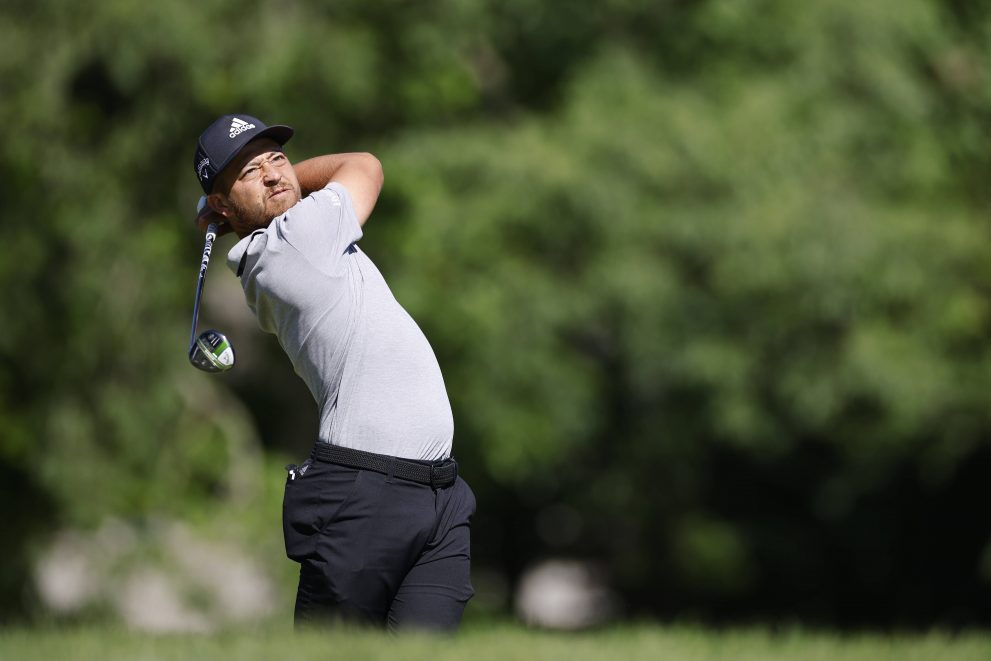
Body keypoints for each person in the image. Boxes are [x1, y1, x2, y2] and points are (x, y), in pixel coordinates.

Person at [190, 114, 475, 631]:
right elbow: (362, 165)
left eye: (277, 158)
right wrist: (296, 175)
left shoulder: (295, 236)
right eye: (250, 171)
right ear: (222, 206)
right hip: (364, 491)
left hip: (437, 493)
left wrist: (267, 184)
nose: (276, 174)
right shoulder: (295, 241)